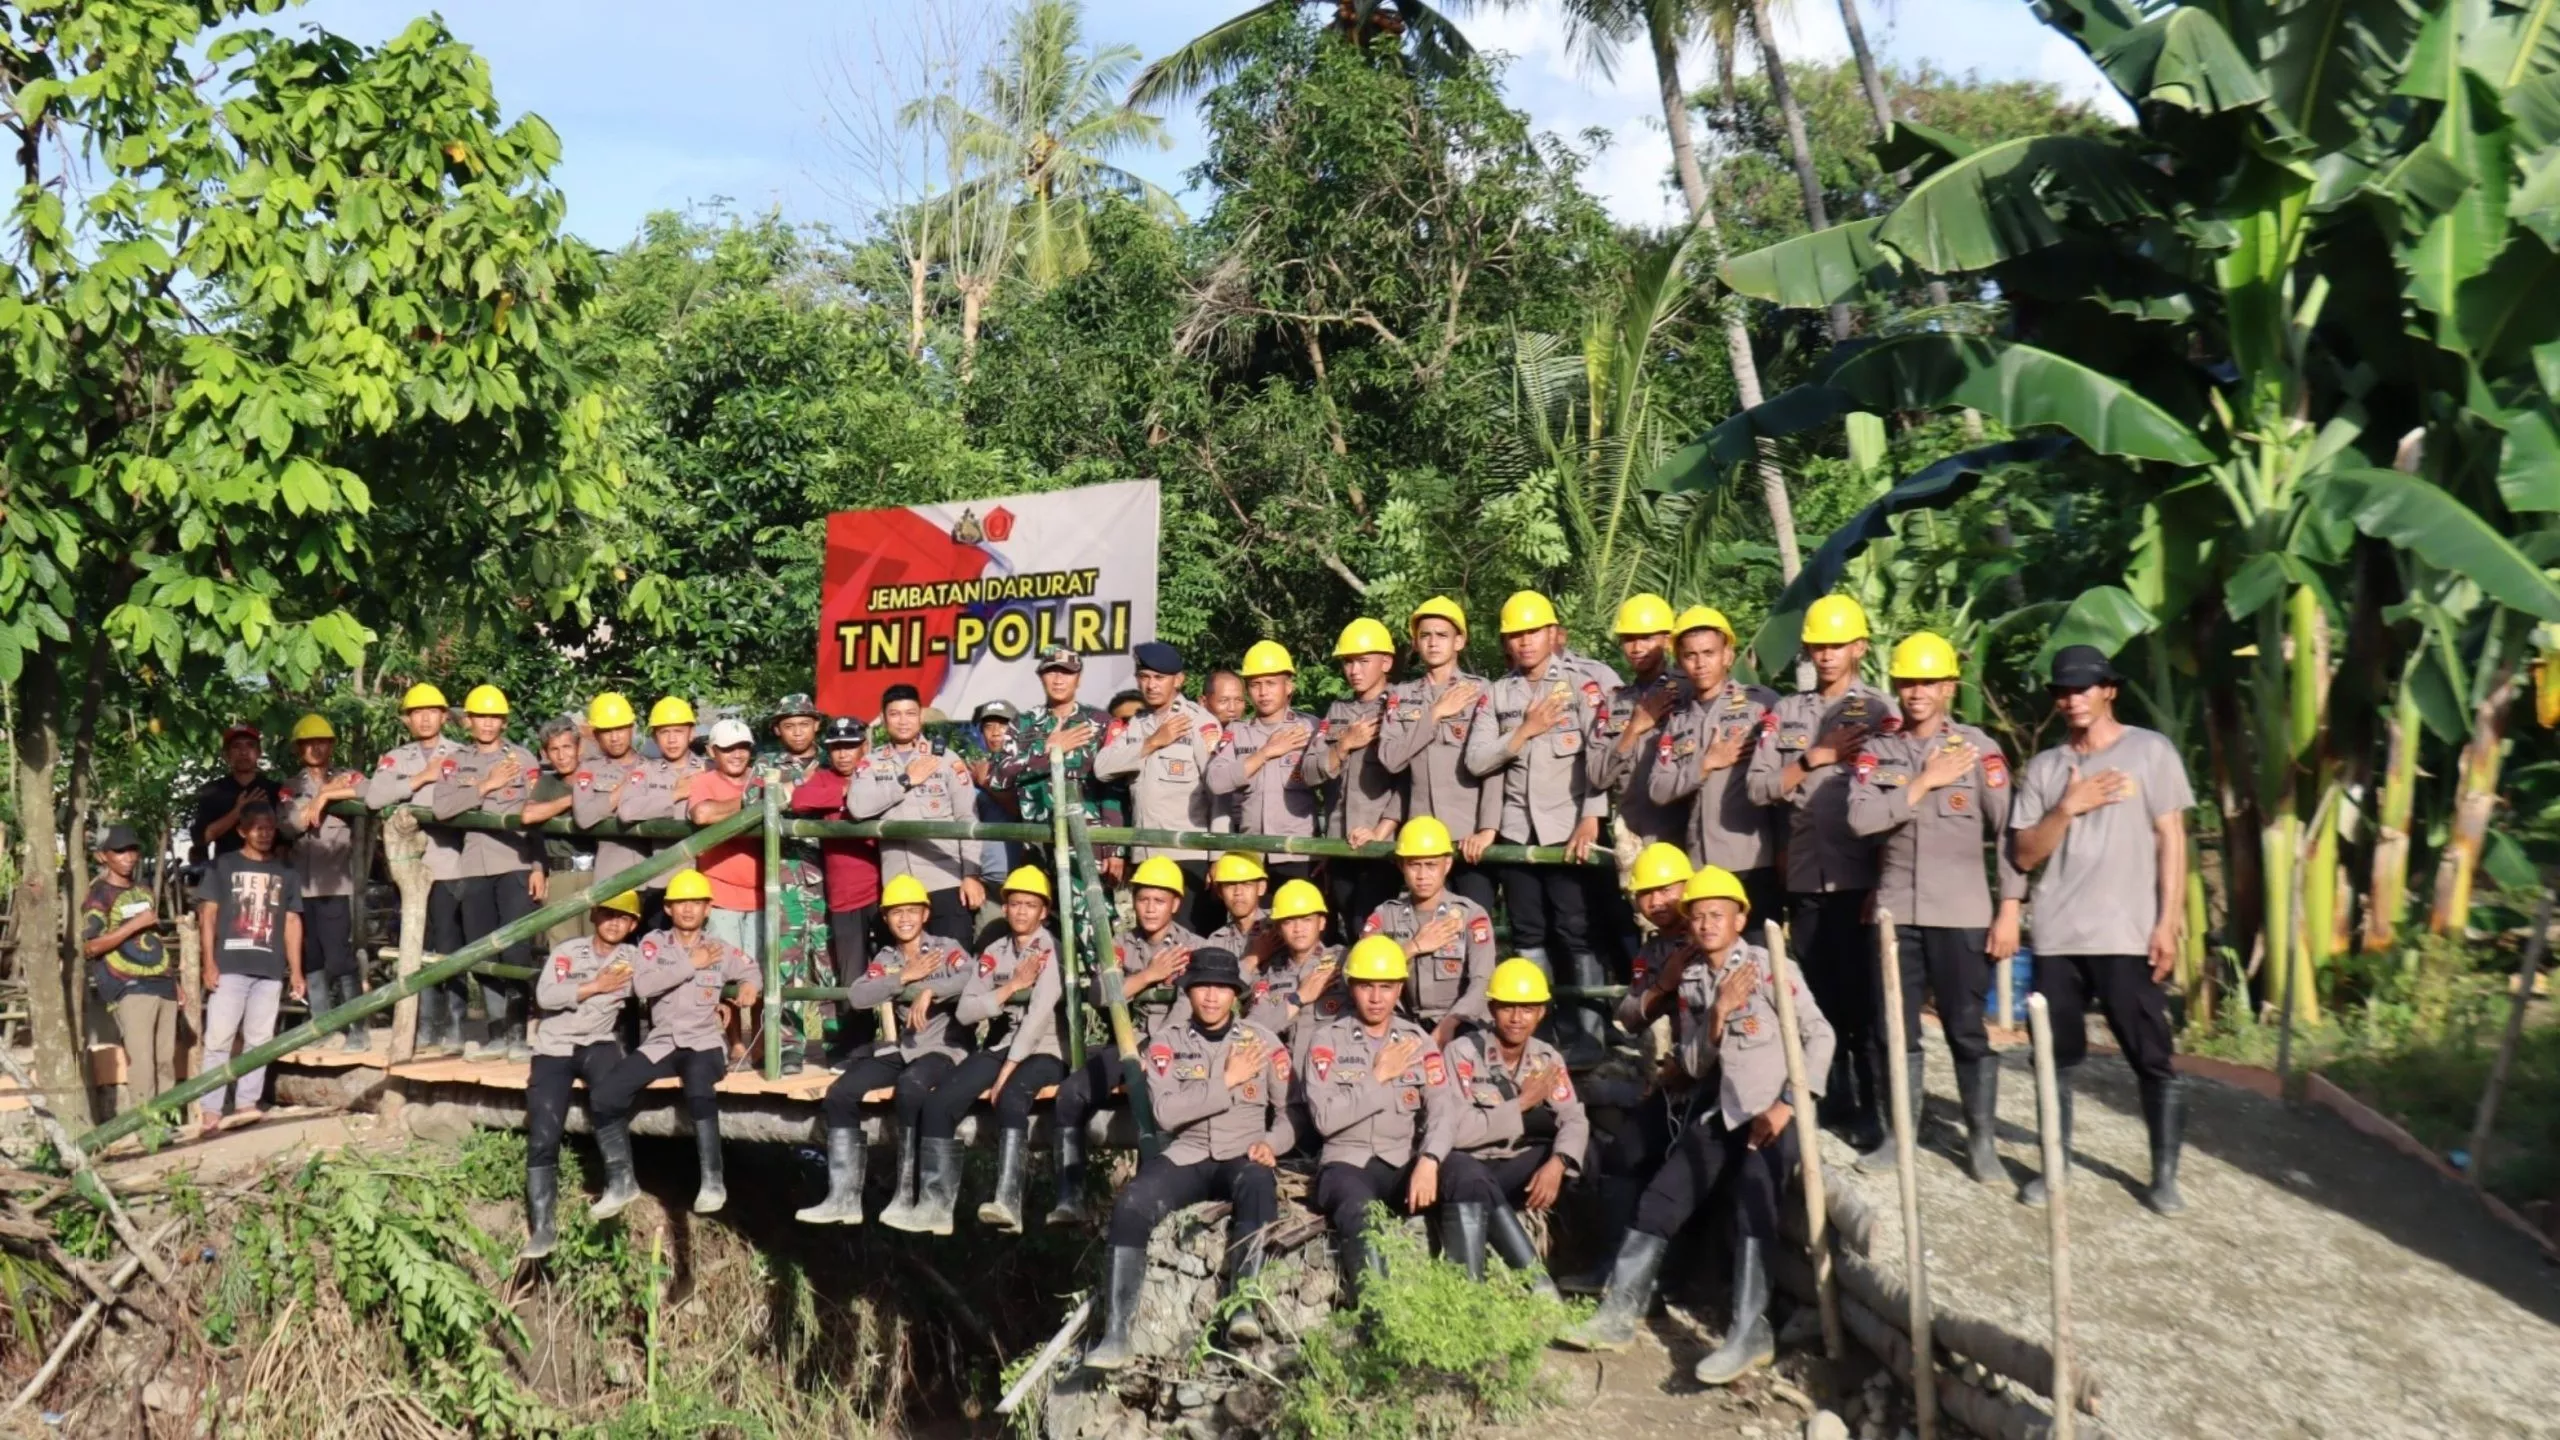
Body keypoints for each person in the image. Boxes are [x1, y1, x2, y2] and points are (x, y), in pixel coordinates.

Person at [1562, 865, 1833, 1388]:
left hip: (1773, 1112)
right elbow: (1693, 1059)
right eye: (1699, 916)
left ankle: (1750, 1331)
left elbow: (1820, 1038)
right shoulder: (1691, 980)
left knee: (1756, 1199)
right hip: (1723, 1109)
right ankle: (1619, 1312)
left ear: (1740, 918)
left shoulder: (1770, 966)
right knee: (1662, 1197)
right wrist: (1715, 1017)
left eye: (1717, 914)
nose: (1707, 924)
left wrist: (1786, 1105)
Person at [2007, 643, 2195, 1215]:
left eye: (2084, 687)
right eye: (2063, 690)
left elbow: (2172, 839)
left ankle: (2163, 1176)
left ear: (2109, 690)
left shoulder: (2150, 752)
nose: (2072, 699)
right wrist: (2068, 806)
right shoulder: (2044, 768)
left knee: (2151, 1055)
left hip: (2129, 934)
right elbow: (2024, 855)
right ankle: (2054, 1168)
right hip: (2059, 937)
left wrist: (2167, 922)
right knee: (2053, 1058)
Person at [1846, 632, 2022, 1181]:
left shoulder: (1978, 750)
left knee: (1967, 1029)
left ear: (1948, 686)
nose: (1915, 692)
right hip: (1895, 915)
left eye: (1926, 682)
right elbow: (1860, 821)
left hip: (1962, 913)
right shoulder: (1879, 752)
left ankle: (1983, 1143)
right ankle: (1898, 1137)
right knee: (1892, 1031)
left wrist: (2011, 905)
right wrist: (1923, 783)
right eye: (1906, 682)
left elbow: (2010, 834)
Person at [1084, 948, 1292, 1369]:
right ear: (1188, 992)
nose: (1212, 997)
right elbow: (1166, 1113)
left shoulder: (1263, 1043)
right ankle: (1116, 1333)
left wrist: (1274, 1142)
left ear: (1236, 994)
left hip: (1243, 1151)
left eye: (1221, 988)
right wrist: (1226, 1080)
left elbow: (1292, 1112)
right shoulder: (1168, 1044)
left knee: (1257, 1184)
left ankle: (1243, 1307)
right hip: (1187, 1153)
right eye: (1202, 988)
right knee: (1132, 1205)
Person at [1747, 595, 1897, 1148]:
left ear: (1859, 646)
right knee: (1819, 1000)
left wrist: (1883, 881)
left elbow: (1896, 804)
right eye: (1818, 645)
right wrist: (1816, 757)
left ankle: (1879, 1115)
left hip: (1862, 879)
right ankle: (1830, 1098)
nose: (1827, 655)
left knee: (1868, 1006)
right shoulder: (1785, 714)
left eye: (1837, 644)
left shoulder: (1882, 712)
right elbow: (1759, 787)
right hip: (1805, 880)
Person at [1464, 590, 1608, 1051]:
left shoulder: (1582, 685)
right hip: (1514, 830)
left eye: (1533, 631)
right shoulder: (1496, 694)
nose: (1525, 642)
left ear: (1552, 633)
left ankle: (1589, 1031)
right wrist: (1525, 729)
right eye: (1515, 635)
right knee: (1527, 931)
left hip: (1567, 830)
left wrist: (1592, 817)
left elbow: (1598, 759)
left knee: (1575, 929)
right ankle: (1538, 1034)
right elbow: (1477, 760)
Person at [885, 867, 1062, 1236]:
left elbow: (1039, 1014)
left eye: (1031, 905)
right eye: (1014, 904)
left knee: (1012, 1097)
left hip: (1043, 1049)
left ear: (1044, 911)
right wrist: (1010, 987)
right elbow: (966, 1011)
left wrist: (1007, 1070)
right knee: (938, 1104)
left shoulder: (1050, 950)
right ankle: (935, 1206)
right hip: (1001, 1045)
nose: (1021, 912)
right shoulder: (995, 952)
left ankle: (1008, 1201)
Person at [797, 875, 976, 1226]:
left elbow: (971, 974)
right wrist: (902, 978)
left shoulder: (945, 946)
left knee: (912, 1088)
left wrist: (931, 990)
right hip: (905, 1047)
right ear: (885, 917)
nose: (904, 918)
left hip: (944, 1048)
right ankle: (842, 1198)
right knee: (841, 1093)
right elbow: (858, 995)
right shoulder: (888, 956)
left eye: (912, 911)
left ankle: (910, 1194)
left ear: (926, 914)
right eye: (896, 913)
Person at [587, 869, 758, 1218]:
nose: (688, 910)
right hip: (662, 1043)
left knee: (698, 1085)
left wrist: (748, 984)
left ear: (708, 908)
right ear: (667, 908)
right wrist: (689, 963)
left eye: (696, 902)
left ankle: (713, 1181)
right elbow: (643, 987)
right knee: (604, 1095)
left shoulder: (719, 948)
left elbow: (751, 969)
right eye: (681, 903)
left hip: (703, 1041)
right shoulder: (652, 945)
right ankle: (621, 1181)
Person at [1045, 856, 1202, 1225]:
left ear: (1176, 904)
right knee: (1071, 1093)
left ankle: (1149, 1200)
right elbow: (1099, 993)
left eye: (1159, 901)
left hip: (1174, 1044)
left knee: (1154, 1101)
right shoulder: (1119, 943)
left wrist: (1159, 1049)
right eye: (1143, 899)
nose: (1149, 908)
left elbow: (1186, 1005)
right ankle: (1071, 1195)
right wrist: (1148, 975)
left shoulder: (1192, 946)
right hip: (1132, 1038)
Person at [1303, 935, 1460, 1299]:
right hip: (1345, 1164)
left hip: (1400, 1161)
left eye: (1386, 987)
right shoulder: (1327, 1040)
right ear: (1351, 987)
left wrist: (1430, 1159)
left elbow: (1443, 1110)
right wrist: (1378, 1076)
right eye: (1366, 987)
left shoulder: (1417, 1041)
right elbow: (1324, 1119)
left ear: (1399, 988)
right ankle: (1380, 1314)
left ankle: (1467, 1295)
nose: (1376, 998)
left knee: (1466, 1175)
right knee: (1358, 1205)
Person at [1438, 959, 1587, 1296]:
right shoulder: (1461, 1054)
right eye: (1507, 1007)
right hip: (1470, 1161)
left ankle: (1579, 1266)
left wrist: (1557, 1163)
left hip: (1515, 1163)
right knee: (1468, 1176)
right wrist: (1520, 1104)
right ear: (1492, 1009)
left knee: (1585, 1155)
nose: (1517, 1017)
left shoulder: (1547, 1059)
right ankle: (1532, 1285)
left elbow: (1574, 1119)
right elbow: (1457, 1130)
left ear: (1541, 1013)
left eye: (1528, 1008)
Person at [521, 890, 645, 1260]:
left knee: (609, 1096)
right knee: (543, 1130)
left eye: (623, 917)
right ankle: (543, 1228)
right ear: (594, 916)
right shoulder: (568, 952)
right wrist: (595, 986)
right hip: (554, 1046)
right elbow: (546, 995)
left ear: (633, 924)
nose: (614, 922)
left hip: (598, 1041)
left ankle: (623, 1181)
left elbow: (665, 983)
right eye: (607, 914)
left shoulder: (635, 958)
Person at [1649, 607, 1782, 921]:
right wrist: (1704, 765)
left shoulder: (1760, 705)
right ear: (1680, 661)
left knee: (1761, 952)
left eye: (1709, 653)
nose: (1700, 663)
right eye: (1690, 655)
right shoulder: (1678, 720)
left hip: (1752, 858)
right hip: (1701, 864)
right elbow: (1657, 788)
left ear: (1727, 655)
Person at [432, 685, 543, 1061]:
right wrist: (487, 785)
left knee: (516, 949)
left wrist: (539, 865)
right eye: (481, 717)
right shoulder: (454, 762)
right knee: (480, 948)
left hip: (515, 862)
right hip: (473, 865)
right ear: (469, 722)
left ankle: (517, 1033)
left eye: (494, 717)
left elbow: (538, 817)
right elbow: (443, 808)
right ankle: (496, 1031)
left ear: (504, 721)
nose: (487, 724)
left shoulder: (524, 758)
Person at [1377, 597, 1502, 916]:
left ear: (1459, 640)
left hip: (1468, 837)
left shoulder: (1482, 692)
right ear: (1416, 643)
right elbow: (1391, 758)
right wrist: (1434, 715)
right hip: (1421, 837)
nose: (1433, 643)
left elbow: (1494, 765)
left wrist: (1487, 828)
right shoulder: (1401, 697)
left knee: (1474, 924)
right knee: (1427, 926)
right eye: (1425, 635)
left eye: (1442, 635)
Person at [1094, 642, 1225, 930]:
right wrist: (1153, 742)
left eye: (1159, 678)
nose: (1151, 685)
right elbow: (1102, 769)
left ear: (1179, 680)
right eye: (1144, 677)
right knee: (1152, 943)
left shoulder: (1199, 723)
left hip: (1188, 856)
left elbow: (1220, 794)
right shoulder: (1137, 726)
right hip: (1145, 854)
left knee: (1190, 940)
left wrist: (1217, 857)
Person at [365, 684, 465, 1054]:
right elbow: (375, 796)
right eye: (416, 712)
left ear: (443, 716)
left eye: (432, 711)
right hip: (408, 868)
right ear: (406, 719)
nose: (424, 718)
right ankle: (424, 1024)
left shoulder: (461, 754)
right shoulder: (396, 758)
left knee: (450, 947)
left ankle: (454, 1024)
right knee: (415, 946)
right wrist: (422, 777)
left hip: (450, 864)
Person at [848, 684, 985, 946]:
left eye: (910, 713)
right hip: (898, 885)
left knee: (954, 965)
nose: (903, 721)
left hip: (946, 879)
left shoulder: (946, 759)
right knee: (906, 972)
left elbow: (967, 819)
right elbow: (857, 806)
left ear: (920, 717)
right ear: (884, 718)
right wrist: (905, 780)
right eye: (895, 714)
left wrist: (971, 874)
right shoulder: (872, 762)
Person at [195, 804, 305, 1129]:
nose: (265, 833)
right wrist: (208, 962)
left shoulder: (287, 873)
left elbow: (292, 921)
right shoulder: (223, 866)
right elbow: (208, 915)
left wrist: (295, 970)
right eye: (257, 827)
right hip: (229, 966)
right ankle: (211, 1109)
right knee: (218, 1040)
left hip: (269, 970)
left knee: (259, 1041)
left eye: (270, 827)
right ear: (242, 831)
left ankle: (246, 1104)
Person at [1297, 618, 1406, 929]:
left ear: (1386, 662)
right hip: (1339, 844)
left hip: (1380, 849)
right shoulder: (1337, 711)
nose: (1354, 670)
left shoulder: (1401, 708)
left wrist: (1381, 833)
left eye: (1363, 661)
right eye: (1348, 662)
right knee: (1346, 925)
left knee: (1369, 929)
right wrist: (1342, 746)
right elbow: (1308, 772)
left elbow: (1410, 782)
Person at [1358, 817, 1496, 1047]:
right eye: (1414, 865)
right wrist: (1413, 947)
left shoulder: (1471, 916)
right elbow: (1356, 973)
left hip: (1462, 1024)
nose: (1422, 875)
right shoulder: (1384, 916)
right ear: (1402, 866)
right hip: (1401, 1025)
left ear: (1447, 865)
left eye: (1431, 865)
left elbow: (1482, 982)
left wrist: (1449, 1024)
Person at [791, 716, 883, 1060]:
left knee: (901, 965)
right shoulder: (825, 778)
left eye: (850, 746)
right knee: (852, 973)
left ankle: (914, 1046)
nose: (843, 755)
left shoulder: (878, 769)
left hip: (888, 888)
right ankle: (858, 1049)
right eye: (836, 748)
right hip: (845, 894)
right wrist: (848, 793)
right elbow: (799, 799)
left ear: (865, 746)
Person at [988, 647, 1122, 883]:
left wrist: (1114, 848)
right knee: (1039, 916)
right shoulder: (1023, 723)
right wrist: (1046, 751)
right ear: (1041, 677)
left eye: (1066, 673)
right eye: (1051, 672)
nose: (1058, 680)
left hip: (1087, 842)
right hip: (1038, 843)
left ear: (1078, 679)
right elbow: (998, 779)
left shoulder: (1100, 723)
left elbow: (1114, 787)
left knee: (1091, 916)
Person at [277, 714, 365, 1051]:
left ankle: (357, 1027)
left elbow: (369, 792)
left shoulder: (348, 776)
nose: (316, 748)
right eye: (308, 743)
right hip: (301, 886)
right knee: (310, 956)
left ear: (331, 745)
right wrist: (315, 801)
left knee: (339, 958)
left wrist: (327, 793)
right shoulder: (289, 787)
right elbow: (287, 825)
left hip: (336, 885)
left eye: (322, 741)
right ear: (299, 749)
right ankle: (321, 1025)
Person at [688, 719, 772, 1065]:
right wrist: (753, 804)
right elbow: (702, 813)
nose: (736, 755)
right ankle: (736, 1041)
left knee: (764, 972)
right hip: (721, 894)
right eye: (727, 748)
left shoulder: (765, 776)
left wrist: (751, 800)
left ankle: (765, 1041)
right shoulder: (704, 780)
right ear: (712, 751)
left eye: (742, 748)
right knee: (725, 973)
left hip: (765, 892)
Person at [82, 826, 177, 1116]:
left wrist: (175, 980)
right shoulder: (97, 896)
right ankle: (146, 1124)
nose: (128, 857)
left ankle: (167, 1119)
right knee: (143, 1060)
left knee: (165, 1060)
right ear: (102, 856)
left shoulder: (144, 892)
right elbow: (90, 947)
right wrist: (134, 925)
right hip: (129, 986)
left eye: (132, 850)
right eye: (119, 851)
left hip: (163, 983)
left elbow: (154, 941)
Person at [1207, 641, 1320, 884]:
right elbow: (1215, 782)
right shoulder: (1237, 733)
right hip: (1252, 854)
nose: (1263, 692)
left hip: (1299, 853)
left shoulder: (1310, 728)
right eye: (1255, 684)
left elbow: (1333, 792)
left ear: (1288, 686)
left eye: (1271, 683)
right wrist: (1265, 753)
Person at [1587, 594, 1691, 859]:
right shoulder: (1615, 701)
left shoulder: (1690, 691)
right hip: (1630, 839)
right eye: (1629, 639)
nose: (1636, 647)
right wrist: (1633, 729)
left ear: (1667, 641)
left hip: (1681, 836)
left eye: (1646, 638)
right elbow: (1598, 776)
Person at [759, 695, 832, 1065]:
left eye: (804, 723)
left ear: (816, 724)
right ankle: (790, 1045)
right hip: (785, 876)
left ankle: (836, 1043)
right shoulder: (766, 764)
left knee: (829, 960)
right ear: (778, 729)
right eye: (789, 725)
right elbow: (751, 801)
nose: (798, 731)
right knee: (787, 963)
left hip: (831, 876)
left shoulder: (834, 758)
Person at [612, 698, 709, 916]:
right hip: (662, 876)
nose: (672, 739)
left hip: (704, 874)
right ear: (655, 737)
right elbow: (627, 811)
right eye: (664, 732)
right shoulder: (645, 772)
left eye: (678, 731)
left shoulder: (709, 769)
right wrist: (675, 794)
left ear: (691, 733)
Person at [521, 718, 595, 951]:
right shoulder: (547, 783)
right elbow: (529, 815)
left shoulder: (595, 777)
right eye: (554, 749)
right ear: (545, 753)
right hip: (560, 872)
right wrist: (572, 800)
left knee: (597, 946)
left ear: (579, 747)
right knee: (563, 949)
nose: (562, 756)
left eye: (567, 747)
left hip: (597, 871)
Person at [569, 693, 652, 894]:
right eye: (607, 731)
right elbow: (584, 816)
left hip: (653, 872)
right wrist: (625, 788)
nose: (615, 737)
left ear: (631, 729)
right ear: (596, 735)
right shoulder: (588, 770)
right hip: (611, 875)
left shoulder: (654, 767)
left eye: (620, 729)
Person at [192, 723, 280, 863]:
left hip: (267, 871)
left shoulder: (274, 790)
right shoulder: (213, 791)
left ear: (259, 753)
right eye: (236, 746)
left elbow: (285, 840)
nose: (243, 752)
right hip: (226, 871)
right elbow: (202, 838)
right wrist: (238, 812)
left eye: (250, 745)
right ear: (226, 755)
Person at [1201, 851, 1274, 962]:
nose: (1238, 892)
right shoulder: (1216, 942)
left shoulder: (1279, 928)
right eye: (1230, 885)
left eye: (1246, 884)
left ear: (1261, 887)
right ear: (1220, 892)